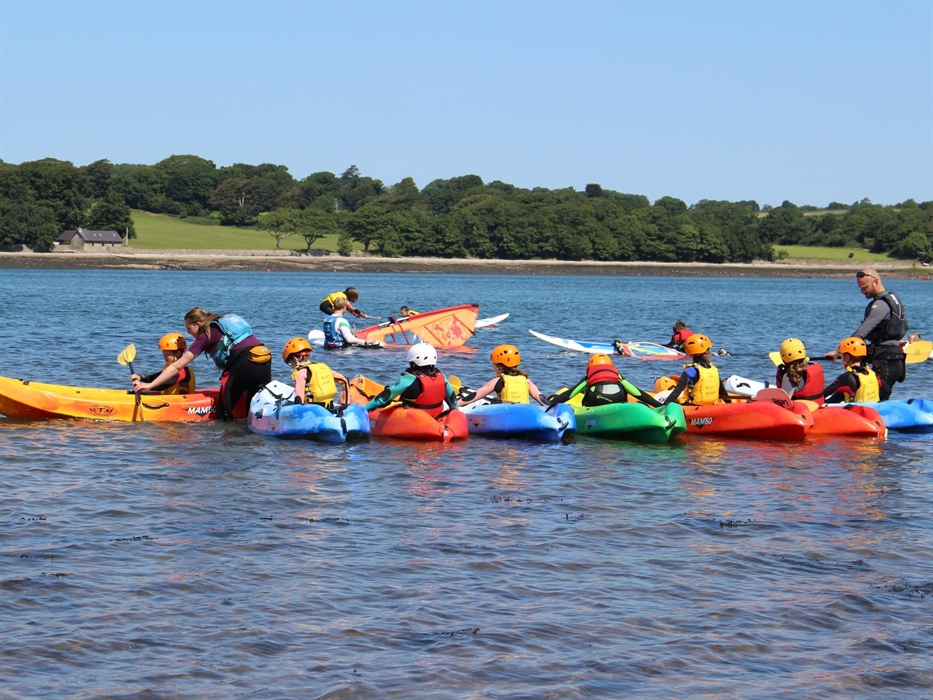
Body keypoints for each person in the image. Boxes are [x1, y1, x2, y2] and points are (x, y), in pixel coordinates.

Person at [133, 307, 271, 420]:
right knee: (255, 412)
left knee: (223, 415)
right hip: (264, 358)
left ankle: (229, 449)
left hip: (243, 362)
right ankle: (254, 447)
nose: (188, 333)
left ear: (198, 324)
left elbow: (177, 366)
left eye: (189, 329)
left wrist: (149, 385)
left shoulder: (206, 334)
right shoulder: (222, 324)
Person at [824, 268, 907, 400]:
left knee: (873, 397)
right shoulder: (893, 299)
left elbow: (861, 333)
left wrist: (837, 352)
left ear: (876, 282)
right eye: (860, 288)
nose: (862, 291)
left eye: (865, 287)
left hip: (887, 362)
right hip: (891, 358)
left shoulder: (881, 305)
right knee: (858, 389)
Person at [363, 343, 458, 417]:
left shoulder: (409, 378)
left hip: (413, 418)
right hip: (436, 415)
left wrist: (364, 408)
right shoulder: (441, 376)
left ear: (415, 362)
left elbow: (384, 397)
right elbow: (453, 400)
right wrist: (455, 411)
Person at [550, 353, 661, 408]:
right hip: (618, 400)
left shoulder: (589, 377)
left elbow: (571, 393)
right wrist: (658, 405)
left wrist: (550, 403)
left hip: (597, 400)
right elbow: (637, 392)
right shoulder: (618, 376)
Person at [458, 344, 547, 407]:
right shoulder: (526, 380)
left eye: (494, 364)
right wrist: (553, 409)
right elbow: (539, 397)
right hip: (524, 413)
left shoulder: (498, 381)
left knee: (488, 404)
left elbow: (476, 395)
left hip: (505, 414)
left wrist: (455, 405)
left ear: (499, 367)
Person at [663, 334, 730, 405]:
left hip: (693, 407)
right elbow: (723, 393)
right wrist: (730, 407)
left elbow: (675, 393)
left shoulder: (689, 372)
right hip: (711, 406)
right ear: (707, 351)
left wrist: (662, 407)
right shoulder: (714, 370)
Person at [281, 337, 348, 408]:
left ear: (295, 359)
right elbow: (344, 380)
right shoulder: (323, 367)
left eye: (289, 363)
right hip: (329, 409)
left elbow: (299, 399)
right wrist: (344, 406)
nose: (291, 365)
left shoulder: (301, 373)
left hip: (313, 412)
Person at [130, 333, 196, 395]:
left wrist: (144, 385)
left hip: (180, 403)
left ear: (178, 353)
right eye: (163, 354)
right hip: (169, 400)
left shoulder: (181, 371)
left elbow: (162, 386)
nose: (164, 357)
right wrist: (141, 377)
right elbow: (155, 378)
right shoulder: (168, 367)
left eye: (167, 354)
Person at [823, 337, 881, 404]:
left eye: (841, 356)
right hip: (874, 411)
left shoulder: (847, 377)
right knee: (843, 393)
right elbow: (887, 391)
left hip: (859, 413)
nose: (840, 358)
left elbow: (823, 394)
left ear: (847, 357)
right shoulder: (873, 373)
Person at [773, 338, 824, 403]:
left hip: (800, 410)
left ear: (783, 359)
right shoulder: (812, 368)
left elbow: (783, 403)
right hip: (816, 406)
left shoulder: (789, 377)